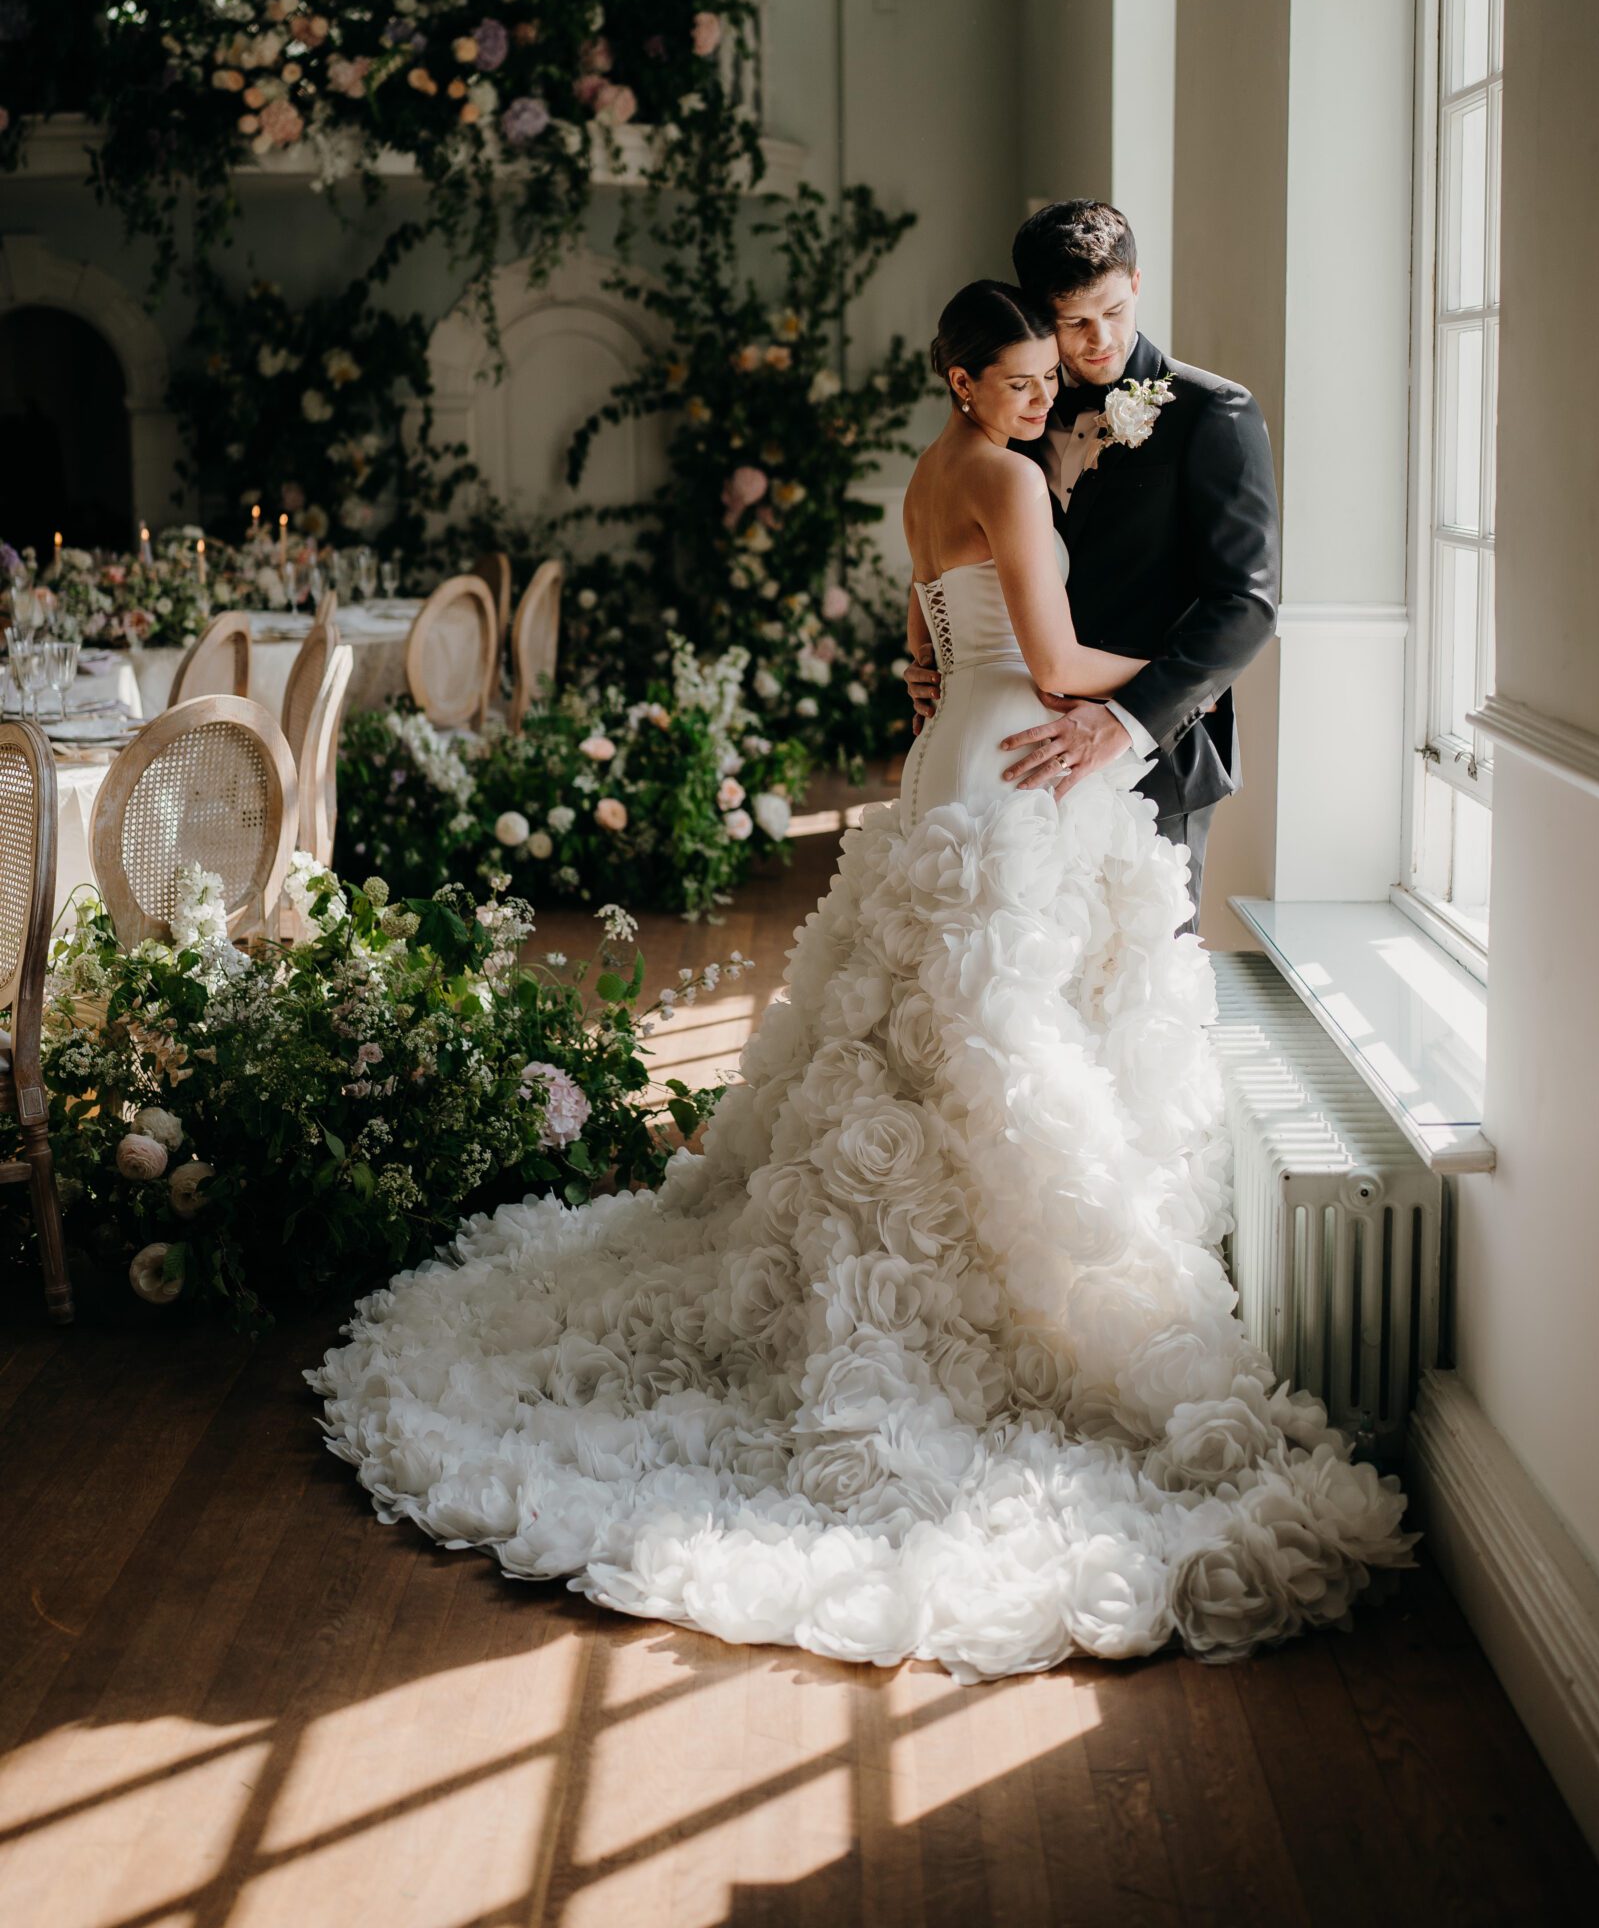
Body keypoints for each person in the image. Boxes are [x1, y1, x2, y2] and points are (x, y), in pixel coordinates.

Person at [311, 280, 1407, 1684]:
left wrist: (1045, 577)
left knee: (931, 1034)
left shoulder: (932, 472)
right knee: (983, 1036)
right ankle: (1010, 1299)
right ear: (963, 379)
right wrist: (1182, 675)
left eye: (1040, 381)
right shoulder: (1005, 476)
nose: (1038, 400)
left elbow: (930, 645)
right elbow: (1060, 658)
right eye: (1014, 381)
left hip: (957, 750)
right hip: (1014, 765)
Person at [905, 202, 1279, 929]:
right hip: (1008, 751)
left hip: (1154, 761)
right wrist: (933, 660)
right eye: (1073, 322)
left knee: (1135, 990)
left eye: (1113, 308)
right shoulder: (1018, 409)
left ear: (1137, 281)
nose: (1099, 339)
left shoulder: (1213, 414)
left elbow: (1246, 604)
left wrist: (1124, 719)